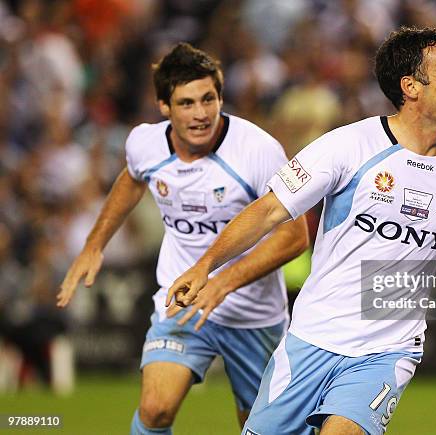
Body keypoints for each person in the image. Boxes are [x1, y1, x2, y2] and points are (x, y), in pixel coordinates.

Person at [168, 26, 436, 435]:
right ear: (410, 86)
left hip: (387, 351)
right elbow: (270, 210)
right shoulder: (347, 146)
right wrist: (206, 265)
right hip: (310, 340)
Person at [56, 43, 309, 434]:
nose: (201, 113)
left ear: (221, 97)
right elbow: (131, 179)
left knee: (262, 428)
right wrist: (94, 244)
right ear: (163, 107)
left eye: (209, 99)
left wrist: (221, 283)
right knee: (155, 410)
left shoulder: (258, 151)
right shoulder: (145, 144)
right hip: (181, 303)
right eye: (187, 103)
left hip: (253, 318)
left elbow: (294, 237)